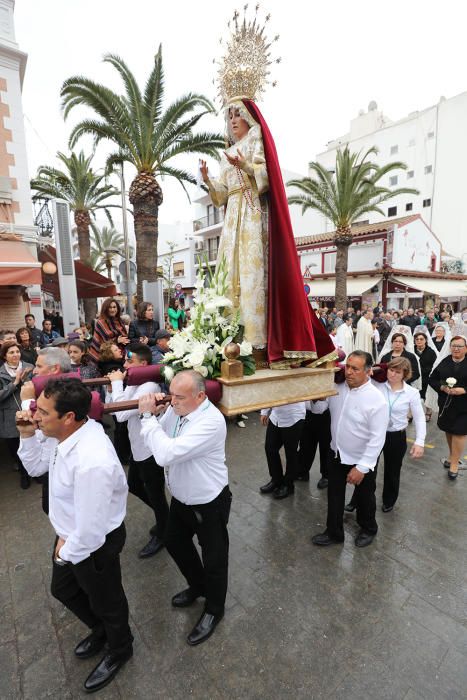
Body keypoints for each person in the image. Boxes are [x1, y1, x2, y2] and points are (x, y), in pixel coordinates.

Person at [199, 89, 334, 367]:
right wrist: (208, 180)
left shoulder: (256, 138)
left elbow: (266, 177)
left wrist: (246, 165)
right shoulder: (224, 154)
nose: (233, 120)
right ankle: (227, 337)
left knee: (252, 276)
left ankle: (255, 343)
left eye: (238, 114)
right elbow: (222, 195)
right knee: (229, 275)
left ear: (249, 117)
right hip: (233, 216)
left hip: (252, 214)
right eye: (229, 116)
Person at [17, 379, 133, 692]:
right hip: (71, 536)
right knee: (64, 590)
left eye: (42, 412)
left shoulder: (91, 460)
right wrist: (28, 435)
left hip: (91, 543)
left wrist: (63, 553)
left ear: (69, 417)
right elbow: (36, 467)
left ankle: (120, 648)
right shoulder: (65, 433)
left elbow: (92, 531)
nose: (34, 414)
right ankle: (103, 631)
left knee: (107, 599)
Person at [138, 370, 231, 646]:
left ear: (200, 396)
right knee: (174, 542)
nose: (173, 400)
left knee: (214, 558)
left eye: (179, 397)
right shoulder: (178, 411)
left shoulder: (210, 422)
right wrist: (157, 413)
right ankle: (198, 586)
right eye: (171, 394)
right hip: (181, 498)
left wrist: (146, 417)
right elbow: (156, 442)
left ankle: (214, 610)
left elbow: (166, 453)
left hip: (208, 501)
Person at [311, 351, 389, 548]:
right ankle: (334, 532)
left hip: (361, 458)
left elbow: (377, 439)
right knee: (334, 495)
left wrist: (362, 467)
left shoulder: (376, 400)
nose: (349, 372)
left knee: (365, 497)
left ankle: (368, 528)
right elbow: (319, 410)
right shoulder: (338, 387)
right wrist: (316, 397)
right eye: (348, 367)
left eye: (355, 369)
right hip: (336, 453)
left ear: (368, 372)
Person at [108, 343, 169, 559]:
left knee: (156, 494)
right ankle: (167, 518)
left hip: (150, 449)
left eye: (129, 361)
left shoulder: (149, 386)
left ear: (143, 364)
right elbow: (117, 404)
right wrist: (116, 387)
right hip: (138, 446)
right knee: (134, 485)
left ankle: (165, 530)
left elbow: (121, 414)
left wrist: (116, 384)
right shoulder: (134, 383)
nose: (124, 365)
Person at [346, 357, 425, 514]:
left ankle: (389, 500)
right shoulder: (377, 385)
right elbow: (368, 370)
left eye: (398, 372)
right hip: (374, 435)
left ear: (405, 374)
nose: (393, 374)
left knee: (392, 470)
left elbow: (419, 417)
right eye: (391, 370)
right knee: (367, 468)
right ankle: (357, 499)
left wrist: (419, 441)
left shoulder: (412, 393)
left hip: (395, 436)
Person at [19, 347, 73, 512]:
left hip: (61, 472)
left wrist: (27, 401)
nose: (34, 371)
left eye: (39, 366)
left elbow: (41, 434)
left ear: (55, 369)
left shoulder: (64, 397)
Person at [429, 336, 467, 480]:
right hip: (446, 404)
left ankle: (454, 464)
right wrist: (442, 387)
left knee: (459, 432)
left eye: (460, 346)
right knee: (449, 429)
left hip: (464, 405)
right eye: (454, 346)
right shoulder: (444, 361)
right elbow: (433, 379)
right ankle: (452, 456)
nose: (456, 348)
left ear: (466, 348)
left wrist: (464, 390)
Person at [0, 341, 34, 488]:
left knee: (32, 442)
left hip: (30, 411)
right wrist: (15, 382)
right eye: (11, 352)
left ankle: (35, 472)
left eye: (17, 352)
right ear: (4, 356)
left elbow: (36, 387)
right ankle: (23, 473)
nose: (15, 355)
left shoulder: (30, 367)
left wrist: (25, 378)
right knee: (15, 446)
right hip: (9, 415)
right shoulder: (1, 372)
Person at [259, 401, 306, 499]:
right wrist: (264, 411)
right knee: (270, 448)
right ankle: (276, 479)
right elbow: (269, 391)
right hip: (276, 415)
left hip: (293, 416)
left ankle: (288, 485)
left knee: (291, 453)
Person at [296, 399, 331, 489]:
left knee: (326, 446)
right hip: (307, 413)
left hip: (326, 414)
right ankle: (302, 472)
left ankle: (326, 475)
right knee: (305, 444)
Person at [89, 298, 129, 363]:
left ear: (118, 309)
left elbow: (125, 336)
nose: (112, 310)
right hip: (108, 357)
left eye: (114, 307)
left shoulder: (120, 321)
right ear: (105, 309)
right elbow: (102, 343)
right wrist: (117, 340)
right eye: (110, 307)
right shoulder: (101, 323)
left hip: (122, 353)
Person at [413, 330, 437, 420]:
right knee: (413, 396)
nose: (419, 341)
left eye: (421, 339)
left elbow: (433, 365)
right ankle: (411, 413)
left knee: (426, 395)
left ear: (426, 340)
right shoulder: (412, 350)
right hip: (414, 376)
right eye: (417, 339)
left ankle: (428, 411)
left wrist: (422, 371)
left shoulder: (431, 352)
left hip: (426, 377)